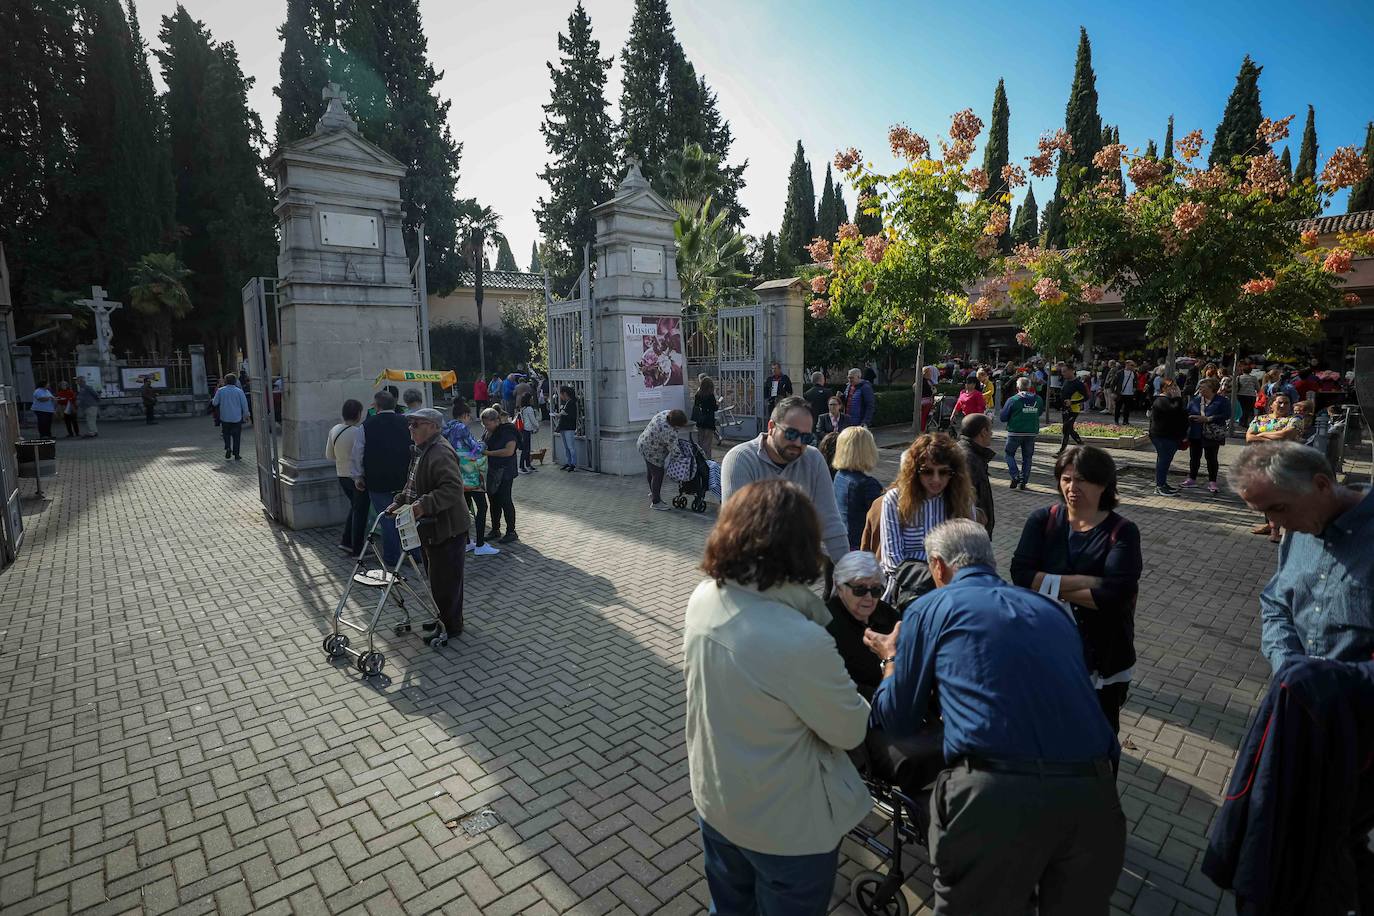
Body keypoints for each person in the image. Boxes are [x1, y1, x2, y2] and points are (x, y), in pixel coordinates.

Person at [865, 518, 1125, 915]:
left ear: (938, 566)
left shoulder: (930, 606)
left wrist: (891, 659)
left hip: (995, 796)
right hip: (1094, 793)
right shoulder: (1052, 612)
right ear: (990, 560)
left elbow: (897, 717)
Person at [684, 479, 871, 916]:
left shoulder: (704, 597)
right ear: (802, 546)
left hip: (716, 800)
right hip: (787, 830)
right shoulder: (800, 639)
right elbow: (848, 729)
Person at [1011, 446, 1142, 735]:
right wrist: (1089, 581)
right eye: (1066, 478)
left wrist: (1048, 584)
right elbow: (1020, 575)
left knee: (1097, 738)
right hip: (1045, 649)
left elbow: (1114, 596)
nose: (1072, 487)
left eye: (1082, 480)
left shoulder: (1122, 531)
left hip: (1103, 655)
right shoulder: (1042, 520)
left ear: (1104, 483)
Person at [1232, 441, 1374, 672]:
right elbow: (1276, 603)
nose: (1275, 522)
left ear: (1321, 485)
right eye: (1264, 513)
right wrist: (1288, 664)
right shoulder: (1299, 530)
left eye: (1279, 508)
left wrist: (1340, 683)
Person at [721, 396, 849, 562]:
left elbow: (830, 522)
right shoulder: (740, 459)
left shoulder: (813, 458)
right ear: (771, 427)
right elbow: (737, 529)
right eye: (791, 433)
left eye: (805, 438)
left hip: (795, 573)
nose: (797, 442)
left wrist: (849, 571)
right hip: (749, 572)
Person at [390, 408, 471, 637]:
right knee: (437, 580)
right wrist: (399, 502)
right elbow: (413, 484)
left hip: (448, 528)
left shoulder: (440, 451)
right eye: (410, 424)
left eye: (416, 424)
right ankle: (442, 618)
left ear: (434, 427)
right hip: (432, 528)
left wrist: (422, 506)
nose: (410, 428)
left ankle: (451, 626)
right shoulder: (422, 450)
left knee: (447, 582)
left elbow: (452, 489)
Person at [878, 433, 973, 606]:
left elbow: (969, 551)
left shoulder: (962, 500)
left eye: (944, 472)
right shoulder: (894, 499)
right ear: (914, 471)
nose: (936, 479)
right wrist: (932, 582)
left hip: (952, 591)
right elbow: (893, 560)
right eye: (927, 471)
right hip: (907, 590)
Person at [824, 551, 898, 701]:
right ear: (839, 588)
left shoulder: (889, 616)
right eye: (860, 590)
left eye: (876, 590)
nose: (869, 598)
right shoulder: (826, 625)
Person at [350, 390, 413, 567]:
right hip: (404, 478)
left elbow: (357, 454)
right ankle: (414, 554)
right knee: (408, 517)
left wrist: (357, 476)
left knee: (386, 518)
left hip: (377, 480)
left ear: (376, 407)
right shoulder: (406, 422)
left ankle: (392, 556)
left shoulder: (366, 425)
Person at [1245, 394, 1304, 542]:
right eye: (1280, 403)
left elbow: (1285, 435)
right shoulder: (1260, 418)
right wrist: (1273, 436)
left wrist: (1262, 433)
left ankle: (1275, 530)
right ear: (1271, 405)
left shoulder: (1295, 419)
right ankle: (1269, 525)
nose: (1283, 406)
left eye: (1286, 403)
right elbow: (1249, 437)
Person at [443, 400, 498, 557]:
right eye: (469, 417)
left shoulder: (447, 428)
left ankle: (466, 542)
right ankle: (480, 544)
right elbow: (475, 447)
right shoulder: (462, 428)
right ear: (465, 415)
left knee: (465, 509)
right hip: (470, 475)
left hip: (455, 474)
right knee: (481, 508)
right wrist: (483, 445)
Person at [325, 399, 368, 557]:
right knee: (360, 512)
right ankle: (356, 548)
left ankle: (346, 541)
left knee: (355, 508)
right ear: (358, 414)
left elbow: (329, 455)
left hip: (341, 474)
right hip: (357, 477)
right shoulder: (358, 432)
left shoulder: (335, 430)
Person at [832, 427, 884, 550]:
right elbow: (882, 518)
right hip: (860, 547)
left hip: (843, 542)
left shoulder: (840, 475)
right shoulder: (867, 484)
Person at [1181, 377, 1230, 495]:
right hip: (1196, 433)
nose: (1200, 389)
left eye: (1203, 387)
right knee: (1194, 457)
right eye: (1200, 387)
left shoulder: (1222, 401)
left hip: (1212, 434)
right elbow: (1187, 412)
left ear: (1212, 389)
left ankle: (1212, 482)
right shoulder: (1195, 400)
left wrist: (1208, 419)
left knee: (1211, 458)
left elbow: (1227, 414)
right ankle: (1192, 479)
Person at [637, 408, 690, 511]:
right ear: (675, 424)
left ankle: (654, 493)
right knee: (658, 474)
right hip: (653, 453)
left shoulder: (664, 413)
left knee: (651, 472)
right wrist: (686, 460)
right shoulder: (669, 432)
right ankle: (656, 502)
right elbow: (675, 451)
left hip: (643, 443)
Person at [480, 407, 519, 543]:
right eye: (484, 424)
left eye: (488, 424)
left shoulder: (508, 431)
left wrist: (488, 453)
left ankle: (511, 531)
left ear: (496, 420)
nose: (486, 427)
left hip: (505, 471)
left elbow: (509, 451)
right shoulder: (488, 432)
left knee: (505, 500)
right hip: (492, 470)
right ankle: (495, 529)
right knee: (493, 500)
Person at [999, 376, 1043, 490]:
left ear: (1017, 387)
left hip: (1015, 432)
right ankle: (1024, 481)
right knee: (1027, 457)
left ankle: (1015, 475)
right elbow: (1039, 413)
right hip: (1031, 432)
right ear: (1029, 387)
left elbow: (1003, 417)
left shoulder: (1013, 400)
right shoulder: (1038, 399)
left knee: (1009, 454)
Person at [1148, 377, 1190, 495]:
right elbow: (1174, 411)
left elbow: (1180, 413)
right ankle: (1160, 486)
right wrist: (1178, 397)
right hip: (1163, 436)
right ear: (1164, 388)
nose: (1175, 389)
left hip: (1170, 436)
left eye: (1176, 386)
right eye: (1172, 387)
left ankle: (1162, 483)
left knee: (1165, 460)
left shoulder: (1169, 400)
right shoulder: (1161, 400)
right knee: (1164, 461)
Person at [958, 413, 996, 534]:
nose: (992, 433)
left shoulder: (970, 453)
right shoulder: (969, 459)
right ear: (983, 432)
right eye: (990, 429)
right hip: (970, 532)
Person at [211, 374, 250, 460]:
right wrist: (246, 415)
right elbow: (244, 404)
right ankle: (236, 454)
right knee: (237, 436)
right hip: (236, 417)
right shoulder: (239, 391)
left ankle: (228, 447)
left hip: (225, 417)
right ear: (235, 381)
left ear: (225, 381)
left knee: (226, 434)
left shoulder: (220, 391)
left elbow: (215, 403)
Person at [1058, 365, 1088, 454]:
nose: (1063, 374)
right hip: (1065, 409)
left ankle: (1062, 451)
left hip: (1073, 410)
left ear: (1071, 371)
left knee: (1066, 428)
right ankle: (1081, 444)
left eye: (1064, 371)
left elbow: (1086, 397)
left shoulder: (1078, 383)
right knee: (1069, 429)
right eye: (1062, 372)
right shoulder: (1065, 381)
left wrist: (1072, 402)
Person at [691, 376, 720, 458]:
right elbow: (714, 408)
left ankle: (700, 458)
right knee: (707, 443)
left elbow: (696, 406)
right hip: (709, 421)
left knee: (700, 441)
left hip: (700, 421)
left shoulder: (698, 394)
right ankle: (707, 459)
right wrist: (718, 404)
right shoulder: (710, 395)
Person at [554, 386, 579, 471]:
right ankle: (568, 462)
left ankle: (573, 463)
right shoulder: (566, 403)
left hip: (569, 427)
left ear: (564, 394)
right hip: (564, 427)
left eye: (560, 394)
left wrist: (563, 414)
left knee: (570, 446)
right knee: (566, 446)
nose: (560, 396)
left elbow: (572, 416)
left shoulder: (571, 403)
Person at [1112, 359, 1142, 425]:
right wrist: (1113, 392)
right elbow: (1114, 383)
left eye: (1133, 365)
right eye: (1132, 365)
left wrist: (1134, 388)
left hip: (1129, 393)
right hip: (1120, 393)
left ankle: (1125, 421)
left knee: (1127, 408)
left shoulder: (1134, 373)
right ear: (1127, 364)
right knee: (1118, 407)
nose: (1133, 367)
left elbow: (1135, 382)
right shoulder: (1120, 372)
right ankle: (1116, 421)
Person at [516, 391, 539, 474]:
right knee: (526, 449)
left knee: (526, 448)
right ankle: (522, 466)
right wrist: (537, 426)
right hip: (527, 429)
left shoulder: (523, 408)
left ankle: (527, 465)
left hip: (523, 429)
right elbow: (533, 420)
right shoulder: (529, 409)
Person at [1234, 363, 1259, 428]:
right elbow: (1257, 388)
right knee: (1249, 410)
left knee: (1241, 409)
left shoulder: (1238, 377)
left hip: (1240, 395)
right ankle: (1246, 423)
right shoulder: (1254, 378)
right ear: (1250, 371)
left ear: (1242, 371)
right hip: (1251, 395)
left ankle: (1241, 422)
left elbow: (1236, 387)